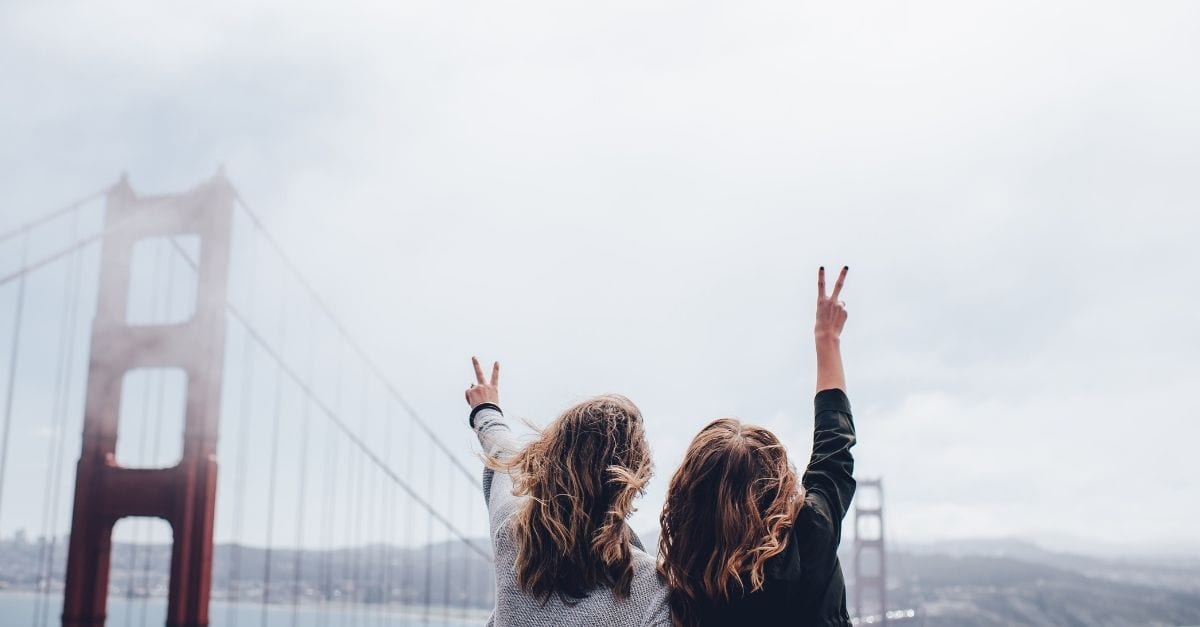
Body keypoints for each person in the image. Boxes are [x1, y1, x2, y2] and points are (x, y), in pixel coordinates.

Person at [657, 266, 857, 627]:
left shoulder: (685, 576)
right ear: (778, 483)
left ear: (689, 499)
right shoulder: (812, 533)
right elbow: (834, 450)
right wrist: (827, 339)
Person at [464, 357, 671, 627]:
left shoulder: (510, 528)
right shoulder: (655, 588)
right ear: (635, 476)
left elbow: (502, 450)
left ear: (550, 457)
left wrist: (486, 408)